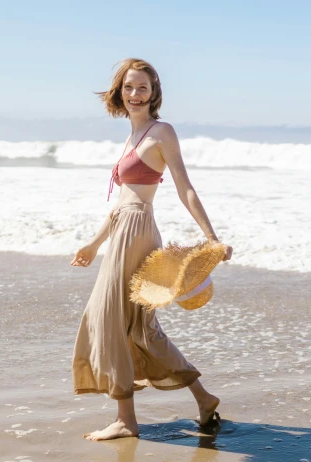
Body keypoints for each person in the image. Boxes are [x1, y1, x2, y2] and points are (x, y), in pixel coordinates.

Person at [70, 58, 233, 441]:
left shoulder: (162, 132)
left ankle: (127, 420)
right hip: (123, 228)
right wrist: (93, 245)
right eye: (128, 87)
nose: (135, 94)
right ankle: (204, 398)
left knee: (108, 319)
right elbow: (120, 203)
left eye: (142, 87)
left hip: (139, 231)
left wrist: (211, 237)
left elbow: (184, 187)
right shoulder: (131, 137)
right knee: (137, 326)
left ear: (154, 92)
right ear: (119, 92)